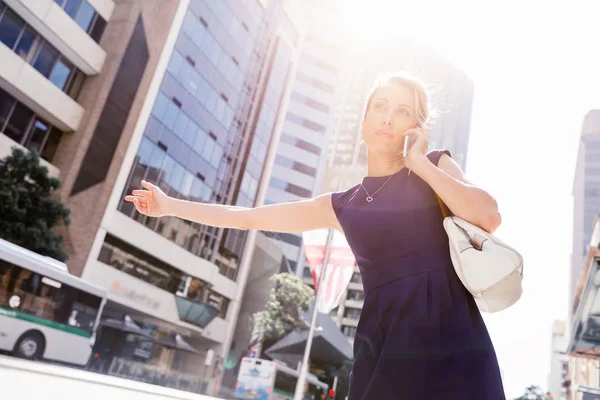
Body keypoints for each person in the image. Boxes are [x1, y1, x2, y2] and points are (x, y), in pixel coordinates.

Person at [125, 71, 505, 399]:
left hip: (452, 336)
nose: (388, 118)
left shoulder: (433, 167)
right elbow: (249, 218)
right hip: (385, 342)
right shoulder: (342, 206)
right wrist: (171, 207)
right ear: (364, 117)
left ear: (415, 128)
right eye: (380, 106)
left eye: (402, 111)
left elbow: (488, 215)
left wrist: (420, 163)